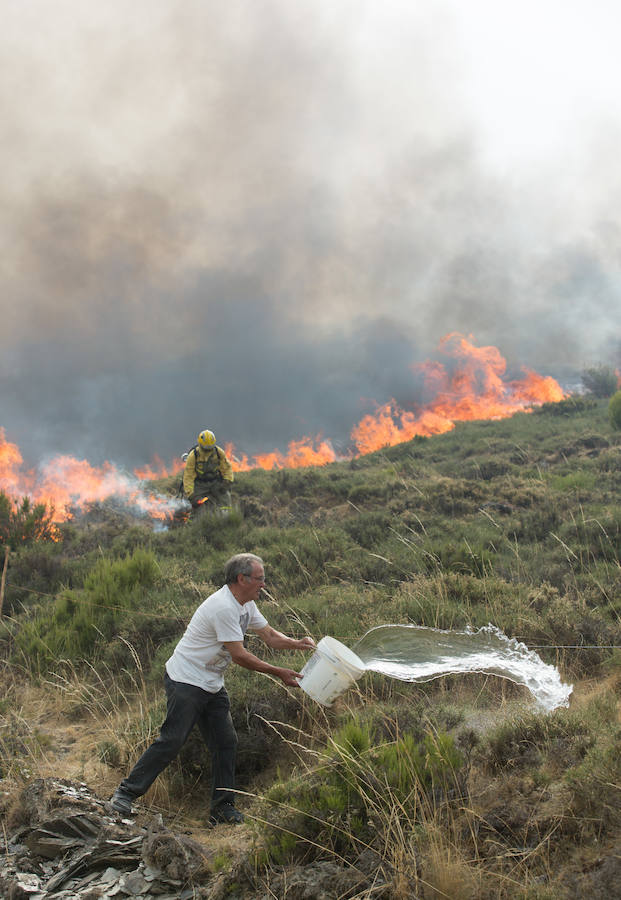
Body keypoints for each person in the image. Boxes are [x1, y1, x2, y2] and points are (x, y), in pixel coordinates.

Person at [110, 553, 316, 825]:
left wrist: (298, 643)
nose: (264, 585)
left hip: (211, 683)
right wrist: (279, 673)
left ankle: (222, 809)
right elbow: (240, 656)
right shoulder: (223, 607)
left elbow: (269, 636)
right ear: (241, 579)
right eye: (260, 579)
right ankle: (124, 794)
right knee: (172, 740)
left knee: (225, 742)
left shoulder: (246, 604)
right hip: (186, 680)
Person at [183, 429, 234, 511]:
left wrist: (226, 482)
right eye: (205, 449)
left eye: (210, 448)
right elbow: (188, 476)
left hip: (215, 483)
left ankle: (226, 520)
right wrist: (191, 495)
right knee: (196, 508)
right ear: (200, 444)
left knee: (225, 500)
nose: (208, 451)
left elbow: (227, 468)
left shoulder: (218, 452)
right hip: (200, 485)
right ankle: (192, 523)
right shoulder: (193, 456)